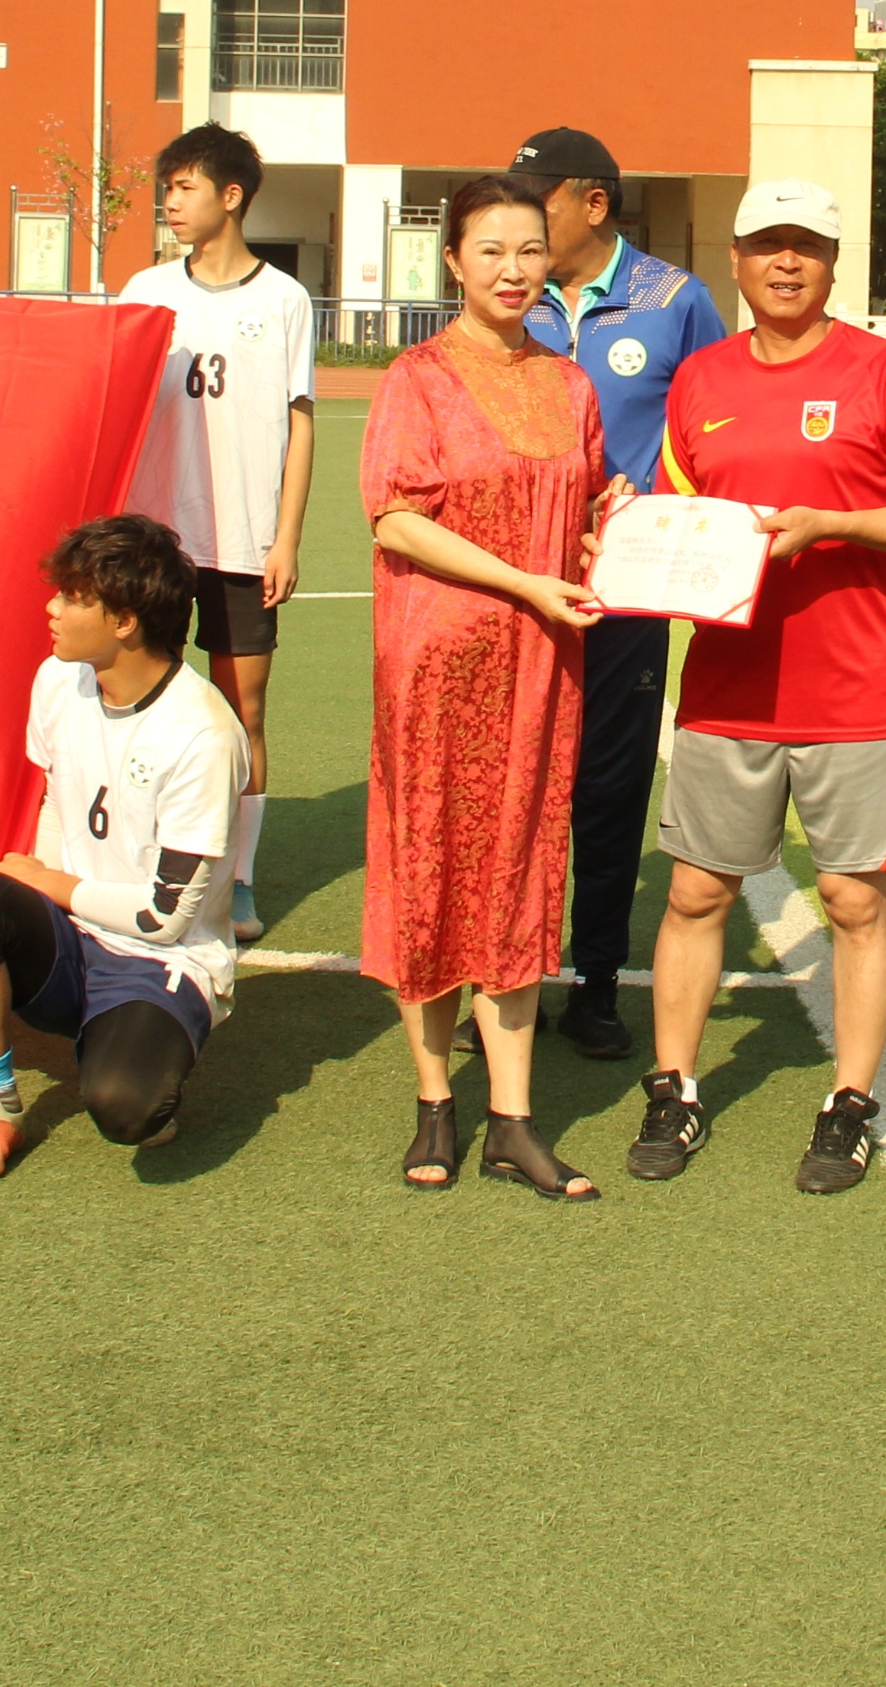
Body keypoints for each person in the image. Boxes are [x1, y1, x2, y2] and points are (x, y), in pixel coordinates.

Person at [626, 180, 886, 1198]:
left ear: (831, 260)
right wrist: (630, 537)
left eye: (805, 247)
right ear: (734, 258)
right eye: (766, 245)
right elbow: (676, 523)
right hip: (726, 687)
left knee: (853, 899)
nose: (786, 263)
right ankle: (675, 1085)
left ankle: (850, 1101)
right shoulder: (700, 379)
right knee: (693, 892)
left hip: (853, 688)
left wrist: (833, 524)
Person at [360, 173, 610, 1197]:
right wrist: (521, 582)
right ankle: (433, 1104)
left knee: (516, 865)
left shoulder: (571, 383)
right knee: (430, 865)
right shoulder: (414, 378)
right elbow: (394, 518)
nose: (512, 271)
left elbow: (586, 512)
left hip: (538, 670)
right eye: (489, 251)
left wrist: (612, 525)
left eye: (527, 251)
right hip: (433, 661)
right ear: (452, 262)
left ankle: (512, 1119)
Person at [0, 515, 245, 1187]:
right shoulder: (56, 679)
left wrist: (52, 884)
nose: (53, 608)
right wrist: (46, 894)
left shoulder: (203, 734)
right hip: (71, 937)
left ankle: (129, 1048)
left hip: (159, 960)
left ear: (124, 620)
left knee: (125, 1109)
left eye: (72, 597)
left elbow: (166, 918)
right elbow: (53, 799)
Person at [508, 125, 726, 1060]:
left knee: (605, 787)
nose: (521, 222)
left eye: (538, 202)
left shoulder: (675, 302)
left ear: (592, 204)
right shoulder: (507, 294)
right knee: (517, 786)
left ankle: (594, 978)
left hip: (624, 595)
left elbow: (716, 432)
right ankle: (505, 974)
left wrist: (659, 497)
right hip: (515, 587)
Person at [118, 123, 317, 946]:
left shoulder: (284, 300)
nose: (169, 201)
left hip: (240, 541)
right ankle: (137, 859)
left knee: (244, 713)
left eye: (185, 186)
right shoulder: (144, 288)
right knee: (134, 701)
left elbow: (300, 423)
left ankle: (235, 879)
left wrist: (285, 538)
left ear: (230, 196)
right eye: (166, 186)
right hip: (153, 539)